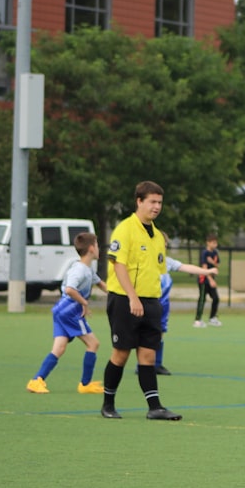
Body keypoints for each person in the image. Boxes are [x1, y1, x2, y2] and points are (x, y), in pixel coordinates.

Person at [99, 180, 182, 421]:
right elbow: (119, 265)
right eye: (152, 202)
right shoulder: (125, 229)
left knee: (148, 356)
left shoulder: (157, 235)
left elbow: (157, 270)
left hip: (151, 302)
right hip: (125, 300)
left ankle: (155, 407)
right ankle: (108, 404)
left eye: (159, 203)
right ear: (139, 202)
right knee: (121, 353)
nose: (156, 207)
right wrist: (133, 298)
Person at [27, 232, 107, 394]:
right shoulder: (80, 270)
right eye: (97, 245)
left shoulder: (87, 269)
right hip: (70, 311)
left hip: (61, 310)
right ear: (91, 248)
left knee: (59, 348)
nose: (99, 249)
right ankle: (85, 384)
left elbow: (102, 285)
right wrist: (84, 302)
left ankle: (36, 380)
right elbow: (70, 289)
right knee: (93, 344)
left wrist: (124, 295)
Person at [151, 235, 220, 375]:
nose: (164, 246)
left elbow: (186, 267)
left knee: (160, 332)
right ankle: (143, 363)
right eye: (162, 243)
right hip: (149, 302)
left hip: (163, 304)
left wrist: (207, 271)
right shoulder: (146, 260)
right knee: (146, 333)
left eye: (166, 244)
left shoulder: (166, 261)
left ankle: (156, 364)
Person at [194, 234, 221, 327]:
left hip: (211, 280)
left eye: (216, 243)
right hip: (204, 280)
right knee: (202, 299)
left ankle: (212, 318)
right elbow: (204, 268)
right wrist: (210, 280)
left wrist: (212, 262)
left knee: (216, 298)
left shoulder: (215, 253)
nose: (215, 244)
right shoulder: (205, 253)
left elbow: (217, 265)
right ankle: (197, 320)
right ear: (208, 243)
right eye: (213, 242)